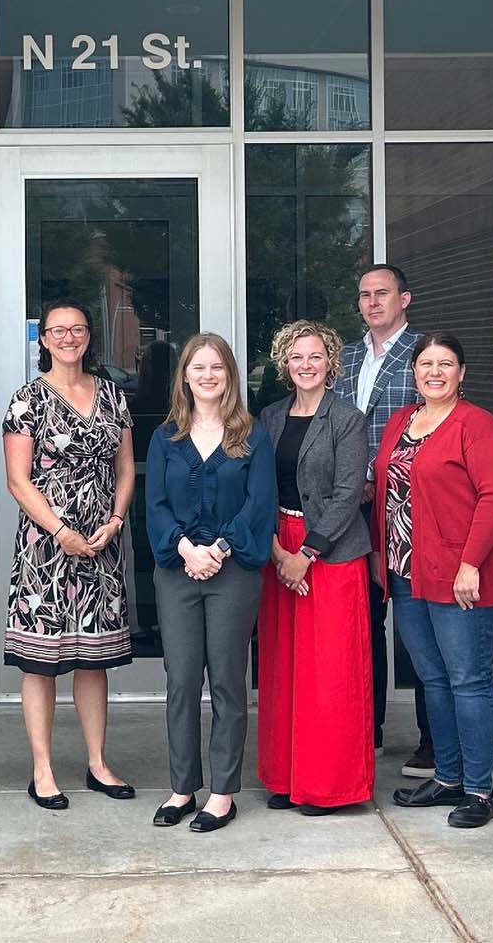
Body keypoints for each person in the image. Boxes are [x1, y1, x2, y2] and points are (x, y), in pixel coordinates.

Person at [370, 333, 493, 829]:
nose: (435, 372)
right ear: (414, 373)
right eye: (426, 364)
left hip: (459, 577)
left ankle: (479, 789)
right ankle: (448, 777)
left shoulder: (476, 425)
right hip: (407, 572)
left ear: (462, 373)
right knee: (432, 679)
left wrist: (471, 563)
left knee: (469, 680)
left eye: (446, 364)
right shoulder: (399, 422)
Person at [2, 298, 136, 810]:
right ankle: (42, 768)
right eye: (58, 330)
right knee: (39, 662)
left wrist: (117, 520)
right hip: (45, 544)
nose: (68, 338)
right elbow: (18, 479)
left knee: (93, 659)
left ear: (88, 336)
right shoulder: (26, 400)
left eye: (77, 329)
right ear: (43, 339)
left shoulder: (114, 396)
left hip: (102, 542)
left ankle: (98, 763)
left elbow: (125, 467)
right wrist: (60, 531)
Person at [145, 333, 275, 834]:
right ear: (184, 376)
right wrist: (185, 550)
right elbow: (154, 506)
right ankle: (183, 787)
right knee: (180, 681)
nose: (207, 375)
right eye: (197, 367)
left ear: (230, 376)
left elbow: (258, 505)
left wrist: (217, 550)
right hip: (177, 572)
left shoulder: (253, 435)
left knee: (226, 681)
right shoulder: (165, 437)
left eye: (216, 367)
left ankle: (222, 792)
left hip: (233, 573)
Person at [255, 320, 374, 816]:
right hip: (278, 547)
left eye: (316, 356)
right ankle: (284, 778)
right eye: (297, 357)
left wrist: (307, 553)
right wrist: (280, 553)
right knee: (282, 668)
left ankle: (328, 786)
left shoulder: (348, 418)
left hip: (331, 554)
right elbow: (258, 486)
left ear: (331, 363)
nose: (306, 365)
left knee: (330, 673)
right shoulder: (270, 417)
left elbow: (349, 493)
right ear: (285, 363)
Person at [337, 263, 434, 778]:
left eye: (382, 293)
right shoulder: (347, 358)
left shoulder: (424, 355)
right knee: (364, 621)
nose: (373, 302)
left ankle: (432, 739)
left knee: (419, 622)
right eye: (365, 295)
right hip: (352, 509)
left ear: (405, 298)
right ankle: (366, 728)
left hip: (406, 506)